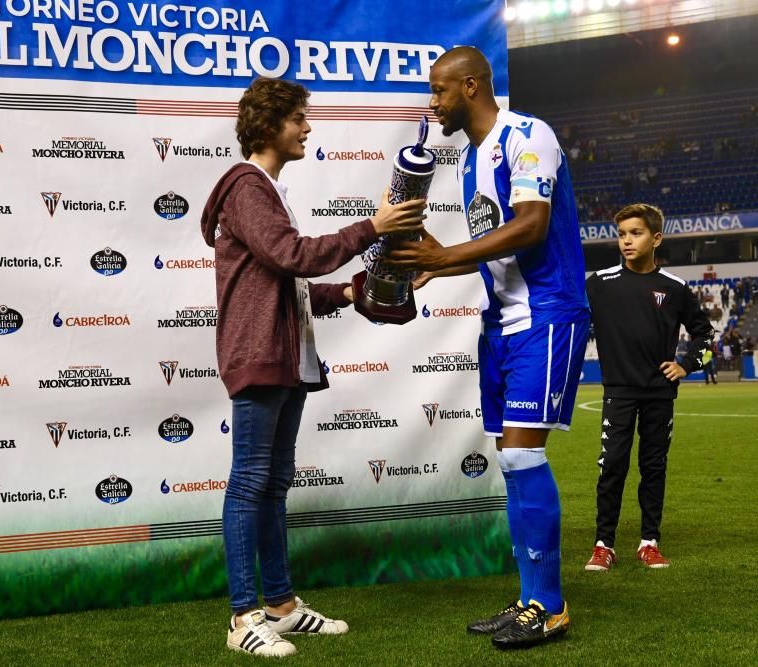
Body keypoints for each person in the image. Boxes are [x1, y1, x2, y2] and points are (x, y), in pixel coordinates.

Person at [200, 77, 425, 658]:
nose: (308, 127)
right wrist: (372, 227)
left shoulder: (268, 190)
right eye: (300, 117)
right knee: (250, 484)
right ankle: (242, 616)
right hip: (261, 357)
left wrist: (354, 292)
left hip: (289, 358)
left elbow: (289, 284)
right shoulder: (248, 186)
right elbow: (290, 255)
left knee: (271, 486)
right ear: (271, 123)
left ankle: (280, 607)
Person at [386, 46, 589, 649]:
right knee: (510, 461)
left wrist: (445, 256)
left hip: (546, 314)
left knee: (525, 457)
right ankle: (530, 597)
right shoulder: (470, 159)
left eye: (439, 92)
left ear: (470, 85)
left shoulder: (528, 135)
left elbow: (532, 224)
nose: (433, 104)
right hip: (501, 323)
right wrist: (436, 268)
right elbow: (497, 247)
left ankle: (549, 606)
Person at [584, 204, 714, 572]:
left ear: (656, 238)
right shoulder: (599, 283)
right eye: (622, 234)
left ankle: (649, 542)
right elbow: (571, 318)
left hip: (659, 393)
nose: (626, 240)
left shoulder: (675, 288)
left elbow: (706, 334)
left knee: (653, 467)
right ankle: (603, 544)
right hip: (619, 392)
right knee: (612, 467)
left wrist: (686, 365)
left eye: (635, 233)